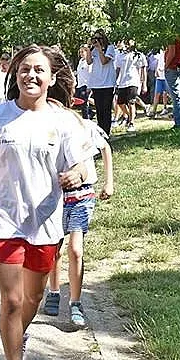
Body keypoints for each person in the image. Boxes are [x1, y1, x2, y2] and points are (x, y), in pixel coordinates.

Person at [0, 44, 91, 360]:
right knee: (13, 299)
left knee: (33, 300)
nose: (30, 76)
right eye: (23, 69)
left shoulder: (64, 120)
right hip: (2, 217)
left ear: (52, 78)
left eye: (38, 70)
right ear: (14, 75)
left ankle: (19, 333)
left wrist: (75, 174)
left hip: (45, 220)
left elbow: (84, 165)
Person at [42, 117, 113, 326]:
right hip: (55, 197)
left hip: (82, 195)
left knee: (75, 249)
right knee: (55, 248)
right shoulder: (46, 125)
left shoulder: (85, 125)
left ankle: (75, 302)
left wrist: (109, 183)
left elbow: (105, 148)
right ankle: (53, 292)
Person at [89, 31, 117, 136]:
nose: (97, 40)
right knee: (99, 108)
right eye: (95, 38)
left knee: (106, 108)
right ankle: (100, 131)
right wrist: (89, 48)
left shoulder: (110, 48)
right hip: (96, 83)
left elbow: (104, 61)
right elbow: (88, 61)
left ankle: (106, 131)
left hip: (108, 83)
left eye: (99, 38)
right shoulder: (93, 50)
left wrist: (100, 49)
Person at [114, 40, 145, 133]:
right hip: (122, 82)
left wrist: (143, 83)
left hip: (133, 81)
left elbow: (143, 69)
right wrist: (115, 81)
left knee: (131, 102)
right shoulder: (120, 55)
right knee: (120, 103)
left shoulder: (138, 55)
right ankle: (129, 115)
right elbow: (118, 69)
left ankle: (131, 123)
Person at [74, 45, 93, 120]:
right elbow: (79, 72)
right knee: (80, 100)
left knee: (83, 102)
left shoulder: (88, 62)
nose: (81, 54)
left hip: (86, 84)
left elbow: (91, 74)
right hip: (80, 84)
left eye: (82, 52)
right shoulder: (80, 61)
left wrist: (89, 86)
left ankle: (85, 118)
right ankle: (91, 112)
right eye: (80, 52)